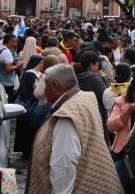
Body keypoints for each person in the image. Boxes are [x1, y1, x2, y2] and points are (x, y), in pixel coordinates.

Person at [26, 64, 123, 193]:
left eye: (45, 84)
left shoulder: (66, 116)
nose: (43, 90)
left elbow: (63, 167)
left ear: (54, 85)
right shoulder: (84, 97)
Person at [15, 55, 44, 158]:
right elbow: (36, 87)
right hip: (28, 104)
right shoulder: (31, 74)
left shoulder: (38, 74)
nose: (41, 65)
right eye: (40, 63)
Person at [0, 33, 24, 103]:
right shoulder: (7, 53)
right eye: (14, 42)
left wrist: (12, 60)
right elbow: (8, 69)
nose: (15, 44)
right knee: (8, 101)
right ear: (10, 42)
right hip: (7, 82)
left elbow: (1, 61)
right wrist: (19, 66)